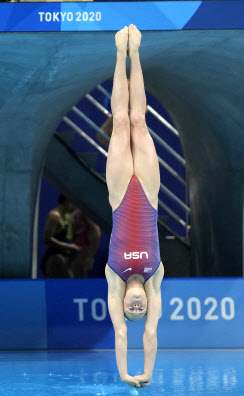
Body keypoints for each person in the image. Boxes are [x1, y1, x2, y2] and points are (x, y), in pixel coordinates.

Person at [105, 25, 164, 389]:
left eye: (133, 309)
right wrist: (146, 373)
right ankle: (136, 53)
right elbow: (151, 335)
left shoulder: (115, 279)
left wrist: (125, 373)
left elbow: (123, 336)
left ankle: (118, 54)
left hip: (118, 193)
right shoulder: (155, 279)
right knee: (139, 122)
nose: (138, 308)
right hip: (150, 192)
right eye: (140, 310)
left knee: (120, 123)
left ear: (124, 302)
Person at [41, 194, 80, 278]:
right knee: (69, 285)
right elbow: (46, 239)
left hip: (64, 256)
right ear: (67, 201)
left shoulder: (68, 217)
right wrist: (68, 246)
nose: (75, 207)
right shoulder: (54, 215)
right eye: (73, 203)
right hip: (53, 257)